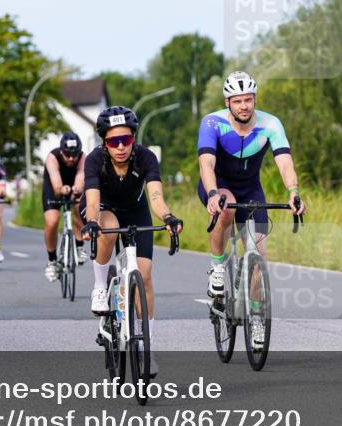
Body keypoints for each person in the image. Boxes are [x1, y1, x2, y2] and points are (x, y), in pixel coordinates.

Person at [197, 71, 306, 344]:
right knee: (226, 207)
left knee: (259, 256)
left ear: (255, 99)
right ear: (227, 102)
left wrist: (293, 193)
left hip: (251, 190)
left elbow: (284, 162)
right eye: (237, 101)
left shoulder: (271, 124)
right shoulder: (212, 122)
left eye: (248, 99)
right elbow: (206, 163)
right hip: (219, 186)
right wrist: (212, 193)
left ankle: (256, 317)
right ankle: (217, 266)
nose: (244, 106)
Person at [81, 106, 183, 378]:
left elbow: (156, 197)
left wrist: (168, 216)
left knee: (145, 275)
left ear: (133, 139)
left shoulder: (146, 157)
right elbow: (92, 201)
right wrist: (92, 222)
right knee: (109, 226)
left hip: (136, 211)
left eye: (126, 139)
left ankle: (146, 348)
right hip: (102, 210)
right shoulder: (94, 160)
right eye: (113, 141)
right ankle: (100, 287)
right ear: (104, 142)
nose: (120, 147)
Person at [42, 132, 87, 281]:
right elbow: (56, 184)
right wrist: (61, 189)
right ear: (61, 151)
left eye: (74, 155)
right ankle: (52, 260)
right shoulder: (52, 157)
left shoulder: (83, 158)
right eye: (68, 155)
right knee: (52, 221)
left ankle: (79, 246)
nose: (71, 159)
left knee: (80, 207)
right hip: (54, 187)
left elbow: (80, 177)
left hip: (73, 185)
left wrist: (77, 189)